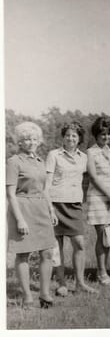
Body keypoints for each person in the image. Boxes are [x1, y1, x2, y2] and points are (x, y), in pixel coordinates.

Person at [6, 122, 57, 309]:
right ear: (19, 141)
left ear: (39, 141)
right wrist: (19, 219)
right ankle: (27, 296)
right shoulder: (13, 161)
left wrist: (51, 210)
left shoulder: (40, 161)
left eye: (34, 139)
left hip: (41, 208)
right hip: (23, 208)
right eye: (27, 138)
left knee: (48, 252)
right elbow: (10, 194)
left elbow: (44, 189)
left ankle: (44, 294)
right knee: (23, 254)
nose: (31, 142)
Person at [45, 122, 98, 295]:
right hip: (55, 204)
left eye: (74, 135)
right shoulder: (53, 155)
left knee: (79, 243)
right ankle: (61, 284)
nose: (70, 138)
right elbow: (46, 185)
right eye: (67, 135)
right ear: (63, 137)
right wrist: (50, 208)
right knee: (56, 247)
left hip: (75, 205)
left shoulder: (84, 157)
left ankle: (80, 284)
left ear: (79, 138)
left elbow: (93, 178)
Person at [86, 117, 110, 286]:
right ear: (96, 135)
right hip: (99, 199)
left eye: (108, 134)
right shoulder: (91, 153)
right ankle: (101, 274)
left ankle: (104, 269)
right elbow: (93, 177)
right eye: (102, 134)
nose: (105, 137)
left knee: (109, 236)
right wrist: (109, 195)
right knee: (102, 236)